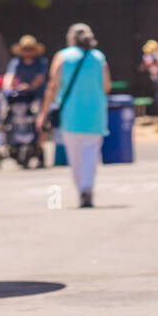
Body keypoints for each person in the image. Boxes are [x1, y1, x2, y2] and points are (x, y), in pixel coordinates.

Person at [37, 23, 110, 208]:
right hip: (95, 113)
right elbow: (107, 86)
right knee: (90, 154)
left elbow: (53, 86)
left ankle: (81, 190)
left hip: (70, 113)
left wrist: (43, 113)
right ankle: (87, 188)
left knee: (75, 155)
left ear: (70, 38)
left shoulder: (62, 57)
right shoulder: (99, 57)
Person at [1, 36, 49, 102]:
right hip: (23, 93)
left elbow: (40, 78)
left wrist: (29, 87)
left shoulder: (41, 61)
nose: (28, 52)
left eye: (30, 49)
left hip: (39, 94)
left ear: (35, 50)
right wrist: (7, 89)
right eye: (25, 49)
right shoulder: (16, 61)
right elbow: (9, 76)